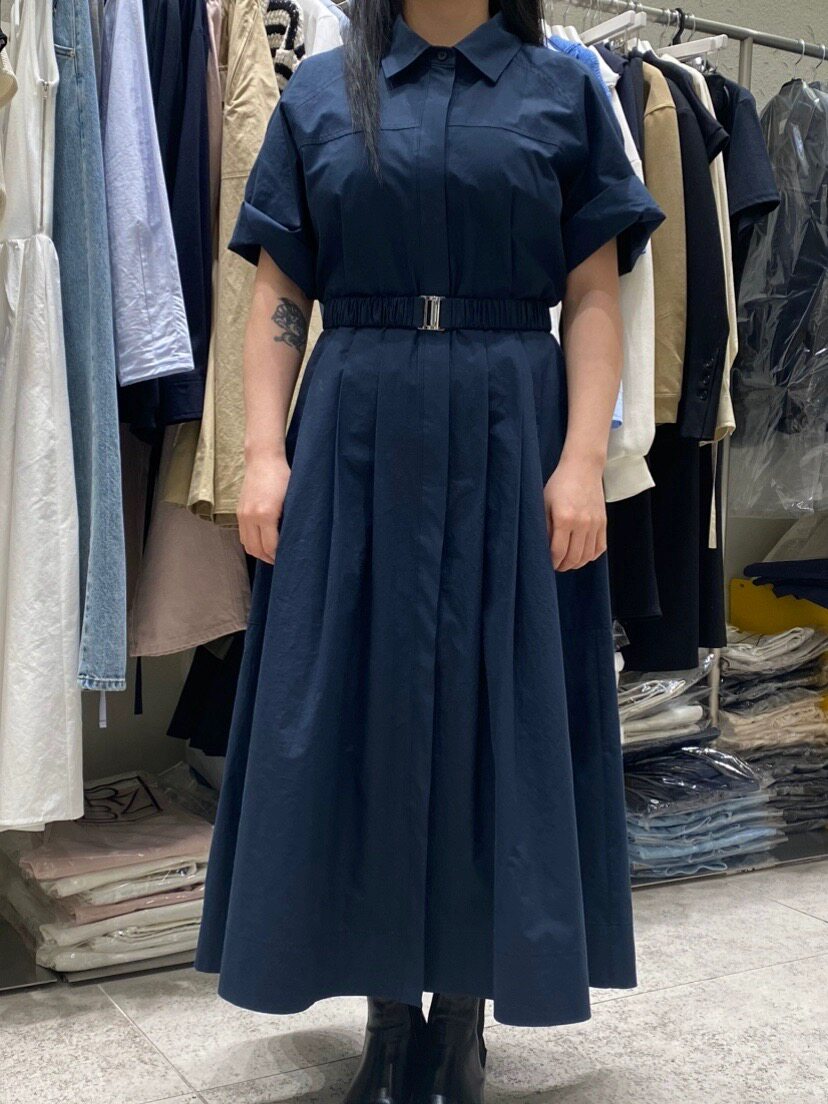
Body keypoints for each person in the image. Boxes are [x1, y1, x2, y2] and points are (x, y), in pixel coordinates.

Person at [195, 1, 663, 1101]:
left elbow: (594, 290)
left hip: (512, 422)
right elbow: (279, 287)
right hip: (356, 423)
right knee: (362, 711)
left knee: (497, 712)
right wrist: (262, 453)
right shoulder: (321, 90)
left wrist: (583, 461)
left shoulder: (566, 88)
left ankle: (460, 1020)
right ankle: (388, 1019)